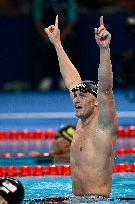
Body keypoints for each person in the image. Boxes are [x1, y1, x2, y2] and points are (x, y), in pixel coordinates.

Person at [44, 15, 118, 198]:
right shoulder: (82, 123)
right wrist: (57, 44)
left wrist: (104, 49)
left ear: (96, 101)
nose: (76, 99)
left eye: (83, 95)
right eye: (75, 96)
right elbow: (71, 80)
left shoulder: (104, 125)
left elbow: (106, 88)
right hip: (76, 200)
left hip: (97, 201)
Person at [32, 0, 78, 90]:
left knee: (66, 51)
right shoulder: (40, 1)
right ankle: (45, 78)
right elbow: (37, 18)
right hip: (45, 35)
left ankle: (65, 79)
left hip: (64, 36)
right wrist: (45, 36)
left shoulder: (69, 1)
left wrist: (59, 38)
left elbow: (72, 19)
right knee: (44, 50)